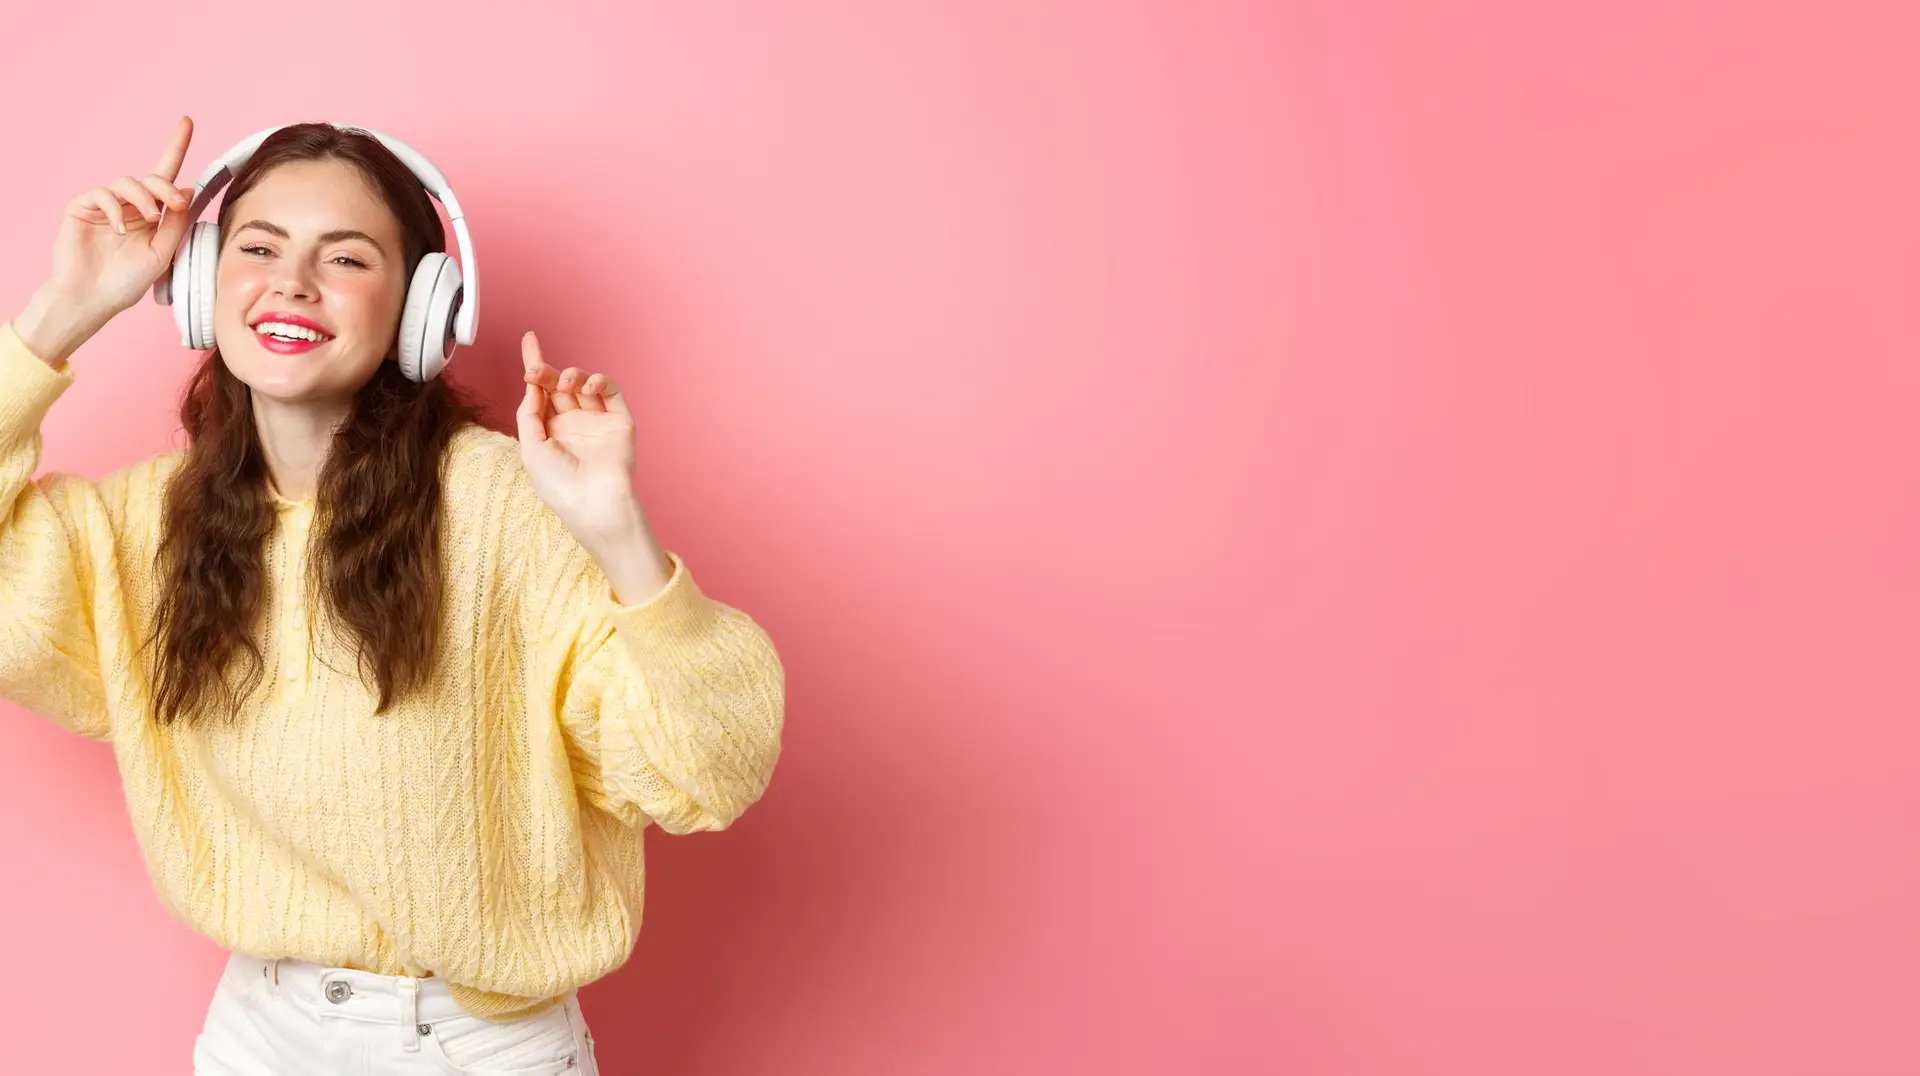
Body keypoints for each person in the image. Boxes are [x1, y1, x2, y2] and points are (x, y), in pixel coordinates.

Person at [0, 116, 785, 1074]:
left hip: (478, 1047)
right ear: (201, 288)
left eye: (346, 258)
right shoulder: (147, 530)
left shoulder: (510, 501)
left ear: (422, 309)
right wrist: (61, 311)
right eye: (257, 248)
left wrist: (614, 526)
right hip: (260, 1033)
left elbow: (710, 772)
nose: (291, 281)